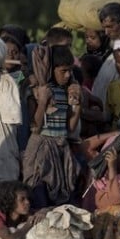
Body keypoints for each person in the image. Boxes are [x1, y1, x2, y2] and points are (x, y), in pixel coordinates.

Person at [24, 46, 80, 208]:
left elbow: (69, 128)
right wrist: (43, 102)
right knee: (40, 199)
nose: (68, 75)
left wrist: (77, 104)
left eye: (70, 70)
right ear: (51, 69)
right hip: (41, 150)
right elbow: (35, 127)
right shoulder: (38, 91)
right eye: (63, 71)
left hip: (60, 149)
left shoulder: (65, 91)